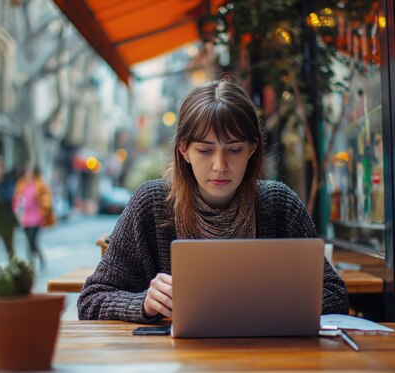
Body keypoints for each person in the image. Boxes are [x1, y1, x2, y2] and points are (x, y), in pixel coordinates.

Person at [78, 78, 349, 322]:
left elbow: (335, 295)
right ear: (184, 150)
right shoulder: (151, 204)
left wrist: (278, 303)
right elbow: (90, 300)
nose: (220, 165)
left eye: (233, 150)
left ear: (252, 149)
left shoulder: (279, 205)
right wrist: (144, 303)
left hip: (265, 356)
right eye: (205, 150)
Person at [12, 165, 56, 269]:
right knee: (29, 241)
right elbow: (17, 199)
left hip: (37, 218)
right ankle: (34, 261)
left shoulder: (39, 183)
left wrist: (44, 210)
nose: (28, 174)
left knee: (32, 241)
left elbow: (46, 198)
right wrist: (17, 212)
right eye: (27, 171)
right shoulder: (21, 183)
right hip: (25, 218)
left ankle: (34, 261)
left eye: (30, 171)